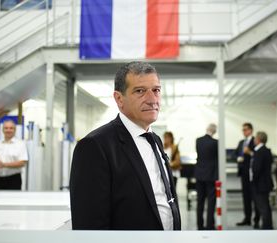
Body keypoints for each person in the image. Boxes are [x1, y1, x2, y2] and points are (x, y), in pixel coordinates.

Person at [69, 61, 181, 230]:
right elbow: (89, 225)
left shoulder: (155, 140)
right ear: (119, 99)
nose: (152, 99)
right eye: (140, 91)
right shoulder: (94, 147)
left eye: (156, 90)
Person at [0, 120, 28, 190]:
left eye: (11, 128)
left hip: (14, 180)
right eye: (6, 128)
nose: (8, 130)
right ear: (2, 130)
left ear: (15, 130)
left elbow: (22, 163)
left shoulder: (20, 144)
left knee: (13, 200)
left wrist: (4, 165)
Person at [235, 122, 260, 228]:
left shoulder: (255, 141)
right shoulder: (241, 142)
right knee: (246, 197)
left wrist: (249, 152)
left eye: (245, 129)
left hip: (253, 174)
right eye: (243, 130)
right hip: (243, 173)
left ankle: (257, 220)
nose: (244, 132)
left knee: (255, 198)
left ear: (250, 130)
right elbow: (235, 153)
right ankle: (247, 218)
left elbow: (258, 155)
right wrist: (238, 158)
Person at [195, 123, 218, 230]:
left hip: (199, 174)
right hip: (211, 175)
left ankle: (200, 225)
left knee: (200, 201)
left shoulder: (198, 141)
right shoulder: (215, 143)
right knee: (211, 201)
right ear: (214, 131)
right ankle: (210, 225)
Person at [250, 131, 274, 229]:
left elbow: (257, 169)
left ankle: (267, 227)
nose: (254, 140)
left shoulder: (260, 152)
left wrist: (253, 180)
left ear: (259, 139)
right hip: (264, 183)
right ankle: (267, 225)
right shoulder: (266, 150)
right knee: (265, 206)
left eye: (255, 138)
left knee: (263, 207)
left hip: (260, 184)